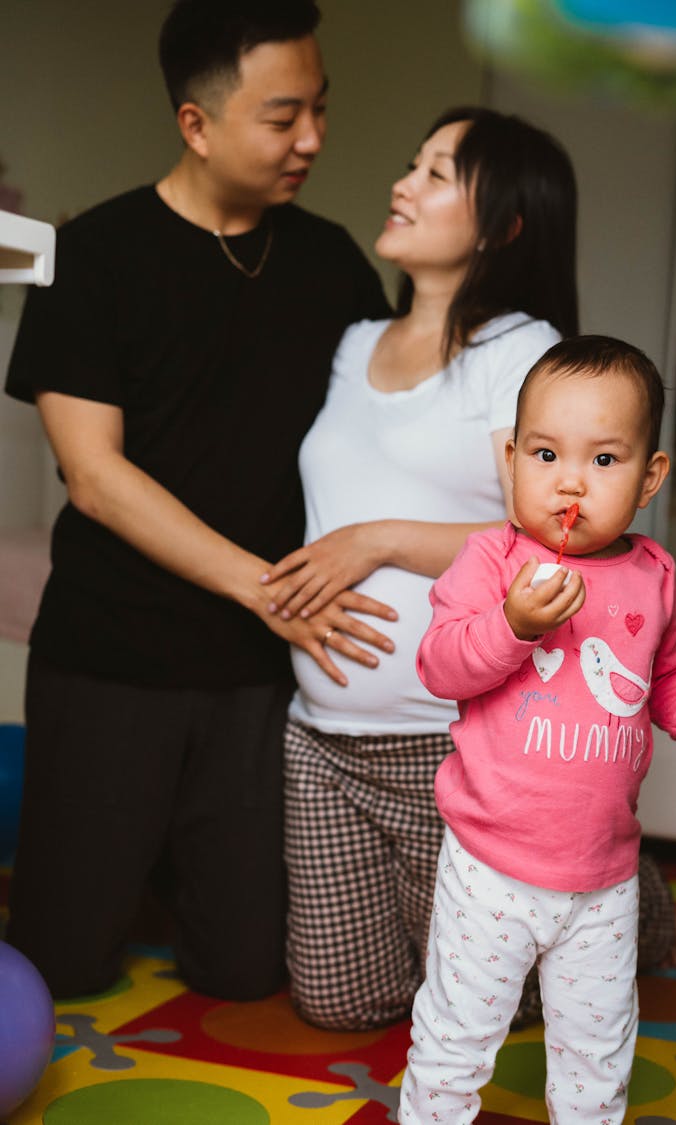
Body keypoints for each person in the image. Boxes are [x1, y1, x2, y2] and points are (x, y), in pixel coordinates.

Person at [3, 0, 393, 1002]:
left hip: (260, 679)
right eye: (281, 116)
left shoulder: (331, 260)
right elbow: (94, 476)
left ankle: (178, 865)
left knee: (246, 972)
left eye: (319, 109)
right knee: (63, 967)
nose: (311, 138)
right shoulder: (92, 256)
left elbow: (390, 427)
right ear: (196, 123)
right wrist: (265, 588)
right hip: (112, 661)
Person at [258, 106, 579, 1030]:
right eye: (413, 161)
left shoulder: (518, 349)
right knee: (339, 1002)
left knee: (501, 1006)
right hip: (320, 736)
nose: (403, 183)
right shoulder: (356, 344)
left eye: (438, 174)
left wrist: (382, 539)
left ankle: (618, 896)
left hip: (456, 741)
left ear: (504, 225)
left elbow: (554, 531)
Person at [399, 335, 676, 1124]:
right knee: (456, 1038)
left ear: (650, 476)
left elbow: (669, 677)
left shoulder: (652, 573)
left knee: (598, 1049)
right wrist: (513, 623)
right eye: (547, 453)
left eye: (603, 461)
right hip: (490, 867)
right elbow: (441, 665)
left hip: (603, 875)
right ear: (512, 457)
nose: (568, 481)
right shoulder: (491, 561)